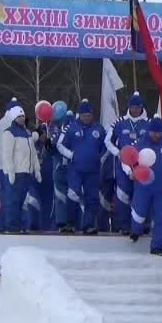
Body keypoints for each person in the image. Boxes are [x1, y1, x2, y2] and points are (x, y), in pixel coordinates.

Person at [128, 116, 162, 256]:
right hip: (142, 187)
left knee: (161, 218)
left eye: (159, 132)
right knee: (139, 213)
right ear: (149, 131)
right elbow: (127, 157)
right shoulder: (139, 143)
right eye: (153, 132)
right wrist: (131, 172)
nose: (156, 135)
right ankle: (135, 231)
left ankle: (156, 246)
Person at [57, 99, 107, 234]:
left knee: (92, 197)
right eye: (84, 115)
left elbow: (106, 146)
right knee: (73, 194)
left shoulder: (99, 128)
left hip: (93, 170)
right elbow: (60, 145)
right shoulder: (71, 128)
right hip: (76, 169)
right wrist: (71, 155)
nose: (87, 117)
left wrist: (101, 159)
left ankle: (88, 225)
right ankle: (70, 223)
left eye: (89, 115)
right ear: (79, 115)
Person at [105, 91, 149, 234]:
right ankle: (122, 225)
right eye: (132, 107)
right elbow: (108, 141)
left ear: (141, 107)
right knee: (122, 194)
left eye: (137, 107)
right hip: (123, 165)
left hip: (141, 165)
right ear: (129, 107)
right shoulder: (119, 122)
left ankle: (140, 225)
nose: (135, 110)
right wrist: (118, 153)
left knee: (141, 194)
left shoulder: (147, 123)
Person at [1, 106, 42, 232]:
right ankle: (11, 227)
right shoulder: (9, 132)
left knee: (22, 202)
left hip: (26, 173)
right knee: (13, 201)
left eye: (23, 116)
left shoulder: (27, 133)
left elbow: (33, 153)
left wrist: (37, 169)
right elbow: (7, 154)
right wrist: (11, 171)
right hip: (16, 173)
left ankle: (21, 226)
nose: (22, 118)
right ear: (14, 117)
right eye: (19, 116)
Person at [50, 111, 77, 232]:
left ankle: (71, 222)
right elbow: (51, 150)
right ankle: (61, 223)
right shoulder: (57, 136)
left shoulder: (77, 135)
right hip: (60, 170)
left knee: (72, 196)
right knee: (60, 196)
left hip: (73, 171)